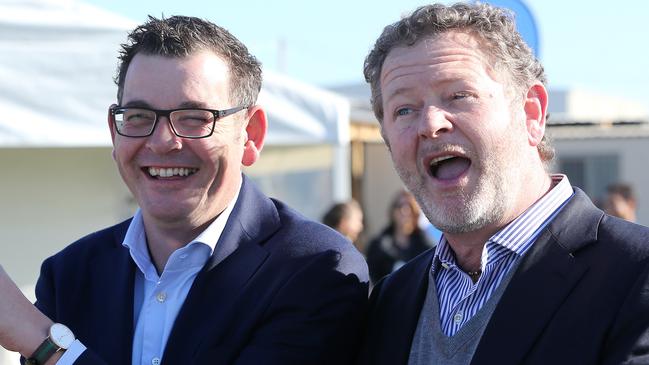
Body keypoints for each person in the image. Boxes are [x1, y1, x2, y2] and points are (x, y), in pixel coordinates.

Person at [0, 15, 369, 365]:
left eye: (194, 118)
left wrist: (46, 345)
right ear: (115, 134)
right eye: (140, 117)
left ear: (250, 135)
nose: (162, 142)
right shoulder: (70, 275)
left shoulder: (315, 269)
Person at [357, 3, 649, 364]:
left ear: (532, 113)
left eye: (458, 95)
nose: (430, 124)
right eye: (403, 110)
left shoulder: (635, 275)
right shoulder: (390, 300)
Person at [366, 190, 433, 283]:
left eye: (409, 206)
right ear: (392, 212)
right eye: (400, 206)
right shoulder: (378, 246)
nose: (405, 211)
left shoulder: (427, 248)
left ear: (415, 213)